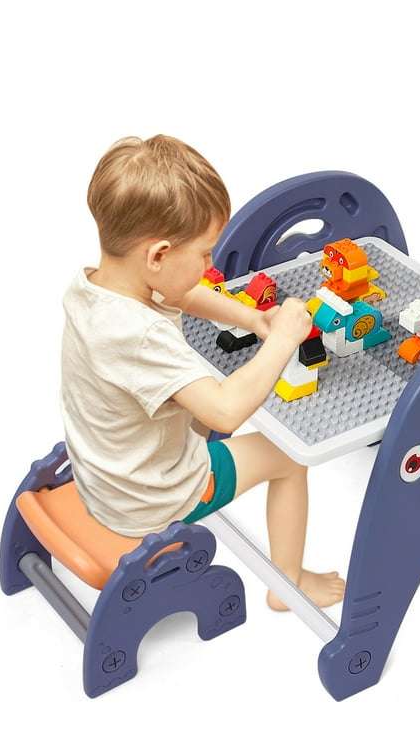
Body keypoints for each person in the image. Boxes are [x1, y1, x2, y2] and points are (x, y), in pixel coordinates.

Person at [60, 134, 345, 610]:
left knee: (204, 413)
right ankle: (288, 586)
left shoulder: (94, 286)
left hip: (103, 477)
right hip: (149, 501)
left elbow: (180, 292)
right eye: (205, 253)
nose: (211, 264)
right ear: (158, 255)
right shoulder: (141, 336)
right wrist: (280, 340)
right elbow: (226, 411)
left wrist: (255, 319)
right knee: (290, 459)